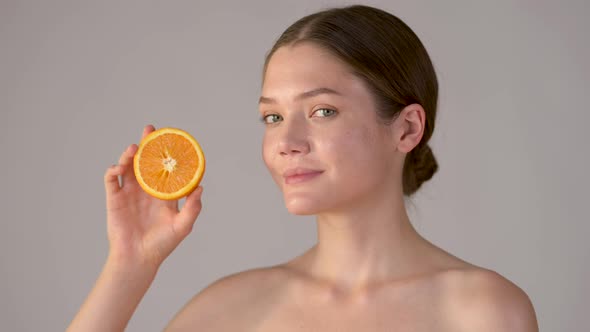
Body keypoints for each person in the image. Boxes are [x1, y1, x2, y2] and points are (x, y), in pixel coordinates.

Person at [67, 4, 538, 331]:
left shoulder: (483, 313)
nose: (286, 143)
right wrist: (129, 266)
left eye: (322, 111)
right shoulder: (231, 310)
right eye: (273, 117)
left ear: (407, 129)